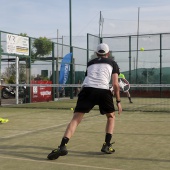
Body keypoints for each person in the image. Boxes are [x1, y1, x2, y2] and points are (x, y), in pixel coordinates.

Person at [47, 43, 122, 160]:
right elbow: (115, 84)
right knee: (111, 117)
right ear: (108, 53)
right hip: (103, 90)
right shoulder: (113, 63)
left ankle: (62, 146)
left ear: (97, 53)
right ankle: (107, 145)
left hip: (87, 90)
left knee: (76, 119)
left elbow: (87, 79)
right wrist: (118, 101)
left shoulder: (90, 63)